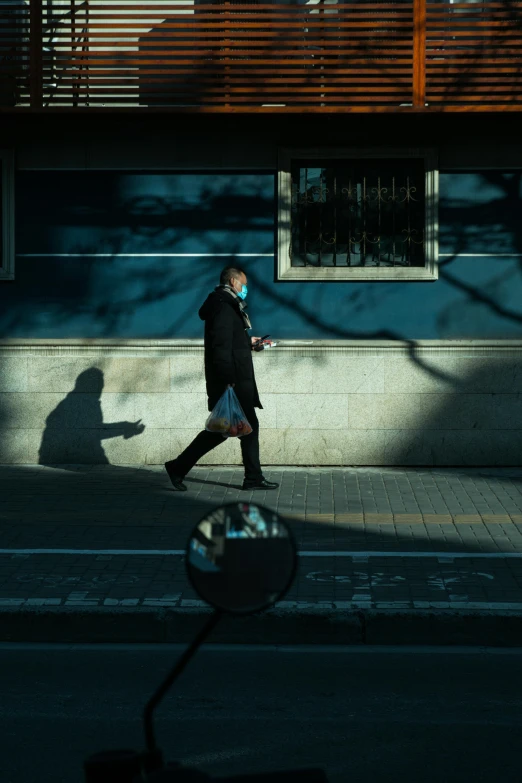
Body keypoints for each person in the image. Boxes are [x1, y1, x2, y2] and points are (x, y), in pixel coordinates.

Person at [164, 266, 279, 492]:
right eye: (243, 284)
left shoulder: (225, 304)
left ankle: (179, 467)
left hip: (234, 378)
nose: (245, 289)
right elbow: (220, 348)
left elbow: (229, 341)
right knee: (242, 427)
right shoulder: (224, 306)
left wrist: (249, 343)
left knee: (226, 429)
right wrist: (229, 382)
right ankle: (252, 478)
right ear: (233, 282)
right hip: (233, 380)